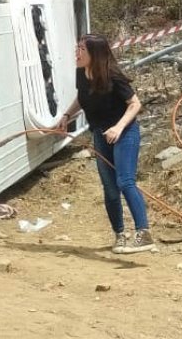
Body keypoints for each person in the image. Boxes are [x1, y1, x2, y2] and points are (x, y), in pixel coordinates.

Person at [56, 33, 154, 254]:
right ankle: (120, 235)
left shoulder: (113, 76)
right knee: (110, 188)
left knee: (125, 181)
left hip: (124, 133)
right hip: (101, 134)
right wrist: (67, 116)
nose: (76, 52)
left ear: (95, 53)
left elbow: (135, 104)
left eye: (82, 49)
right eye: (77, 47)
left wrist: (118, 128)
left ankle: (144, 234)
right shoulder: (81, 73)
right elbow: (82, 97)